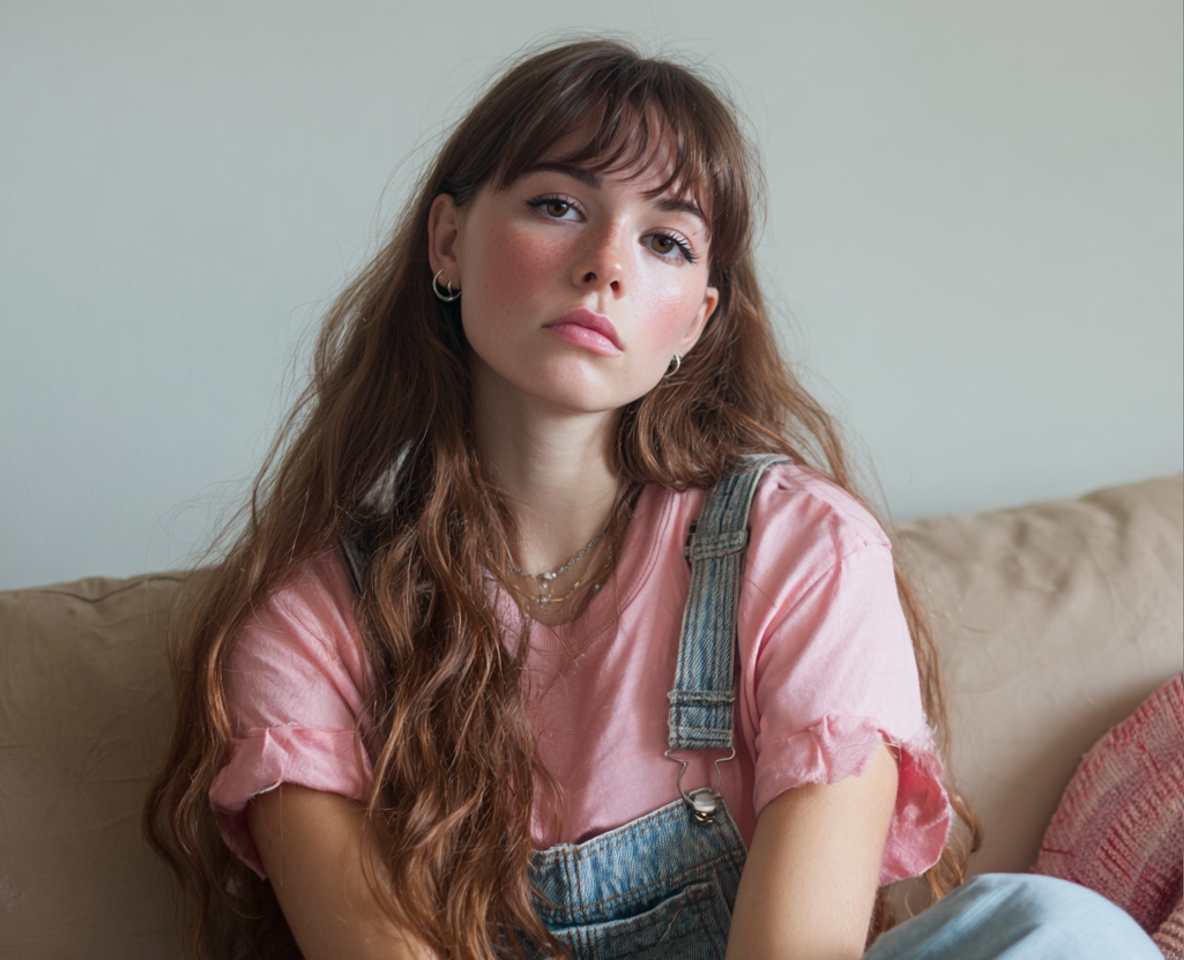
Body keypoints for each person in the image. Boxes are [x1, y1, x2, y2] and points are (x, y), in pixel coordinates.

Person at [143, 38, 1162, 960]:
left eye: (666, 241)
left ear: (696, 323)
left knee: (1059, 930)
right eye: (558, 205)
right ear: (447, 240)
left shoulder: (800, 550)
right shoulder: (313, 626)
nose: (605, 266)